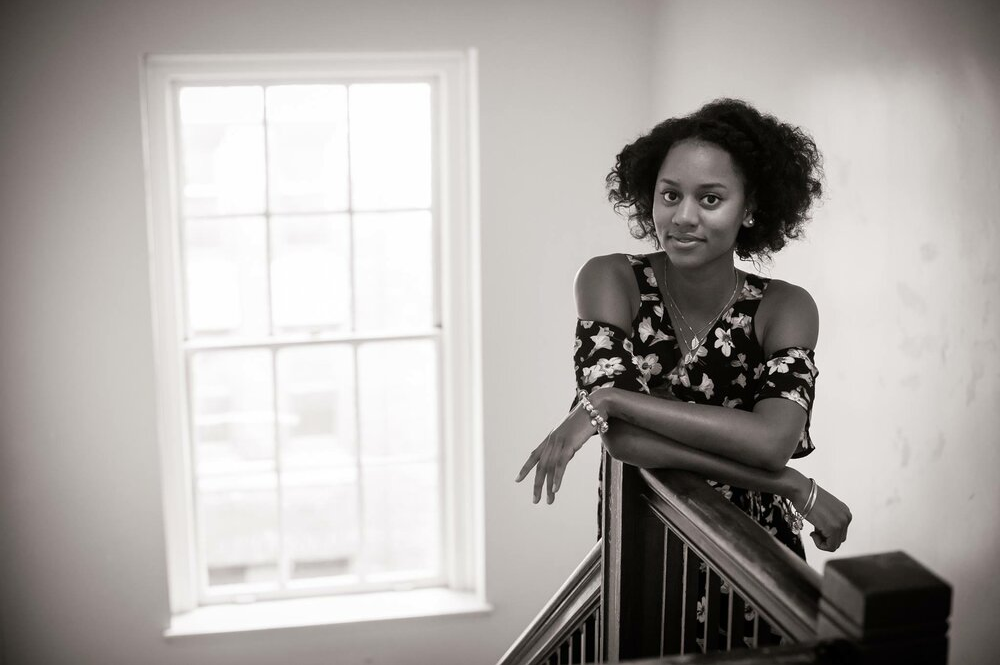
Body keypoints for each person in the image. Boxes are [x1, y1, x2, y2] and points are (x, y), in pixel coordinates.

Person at [515, 98, 852, 560]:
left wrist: (612, 399)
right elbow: (623, 438)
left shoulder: (785, 306)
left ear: (750, 208)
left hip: (754, 558)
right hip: (643, 548)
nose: (683, 217)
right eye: (670, 195)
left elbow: (773, 443)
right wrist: (788, 484)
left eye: (710, 199)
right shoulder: (610, 279)